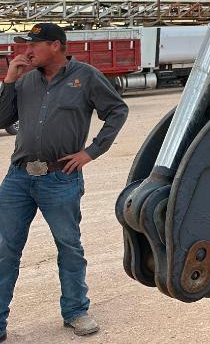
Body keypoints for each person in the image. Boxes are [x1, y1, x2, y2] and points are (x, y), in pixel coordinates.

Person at [0, 23, 129, 340]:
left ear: (55, 46)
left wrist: (91, 151)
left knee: (69, 247)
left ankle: (75, 311)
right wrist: (9, 81)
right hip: (18, 179)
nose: (25, 51)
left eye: (34, 45)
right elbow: (2, 120)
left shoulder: (85, 77)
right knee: (5, 250)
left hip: (60, 178)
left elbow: (117, 110)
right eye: (24, 45)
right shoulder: (25, 80)